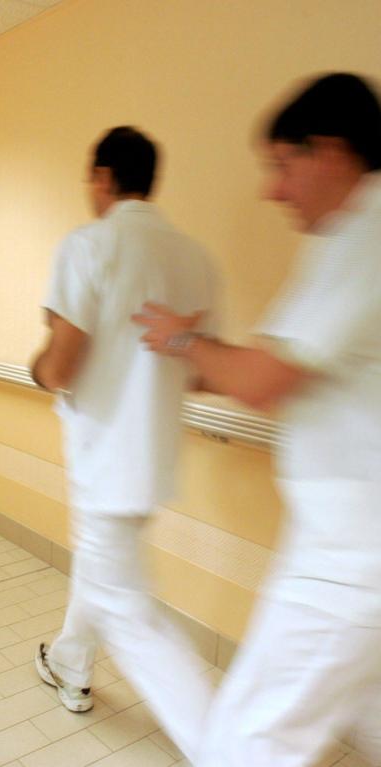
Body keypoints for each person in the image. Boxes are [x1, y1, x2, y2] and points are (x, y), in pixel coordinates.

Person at [134, 72, 381, 766]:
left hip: (351, 556)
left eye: (281, 164)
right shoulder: (345, 239)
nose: (272, 190)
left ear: (328, 151)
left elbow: (263, 379)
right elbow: (277, 368)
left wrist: (183, 341)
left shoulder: (364, 238)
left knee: (244, 745)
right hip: (347, 540)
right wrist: (198, 355)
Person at [31, 126, 218, 764]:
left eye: (91, 178)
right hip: (155, 456)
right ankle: (69, 663)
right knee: (102, 565)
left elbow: (62, 363)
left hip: (104, 456)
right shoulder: (193, 257)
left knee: (127, 610)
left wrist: (38, 369)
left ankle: (229, 747)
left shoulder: (89, 244)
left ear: (105, 178)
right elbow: (201, 369)